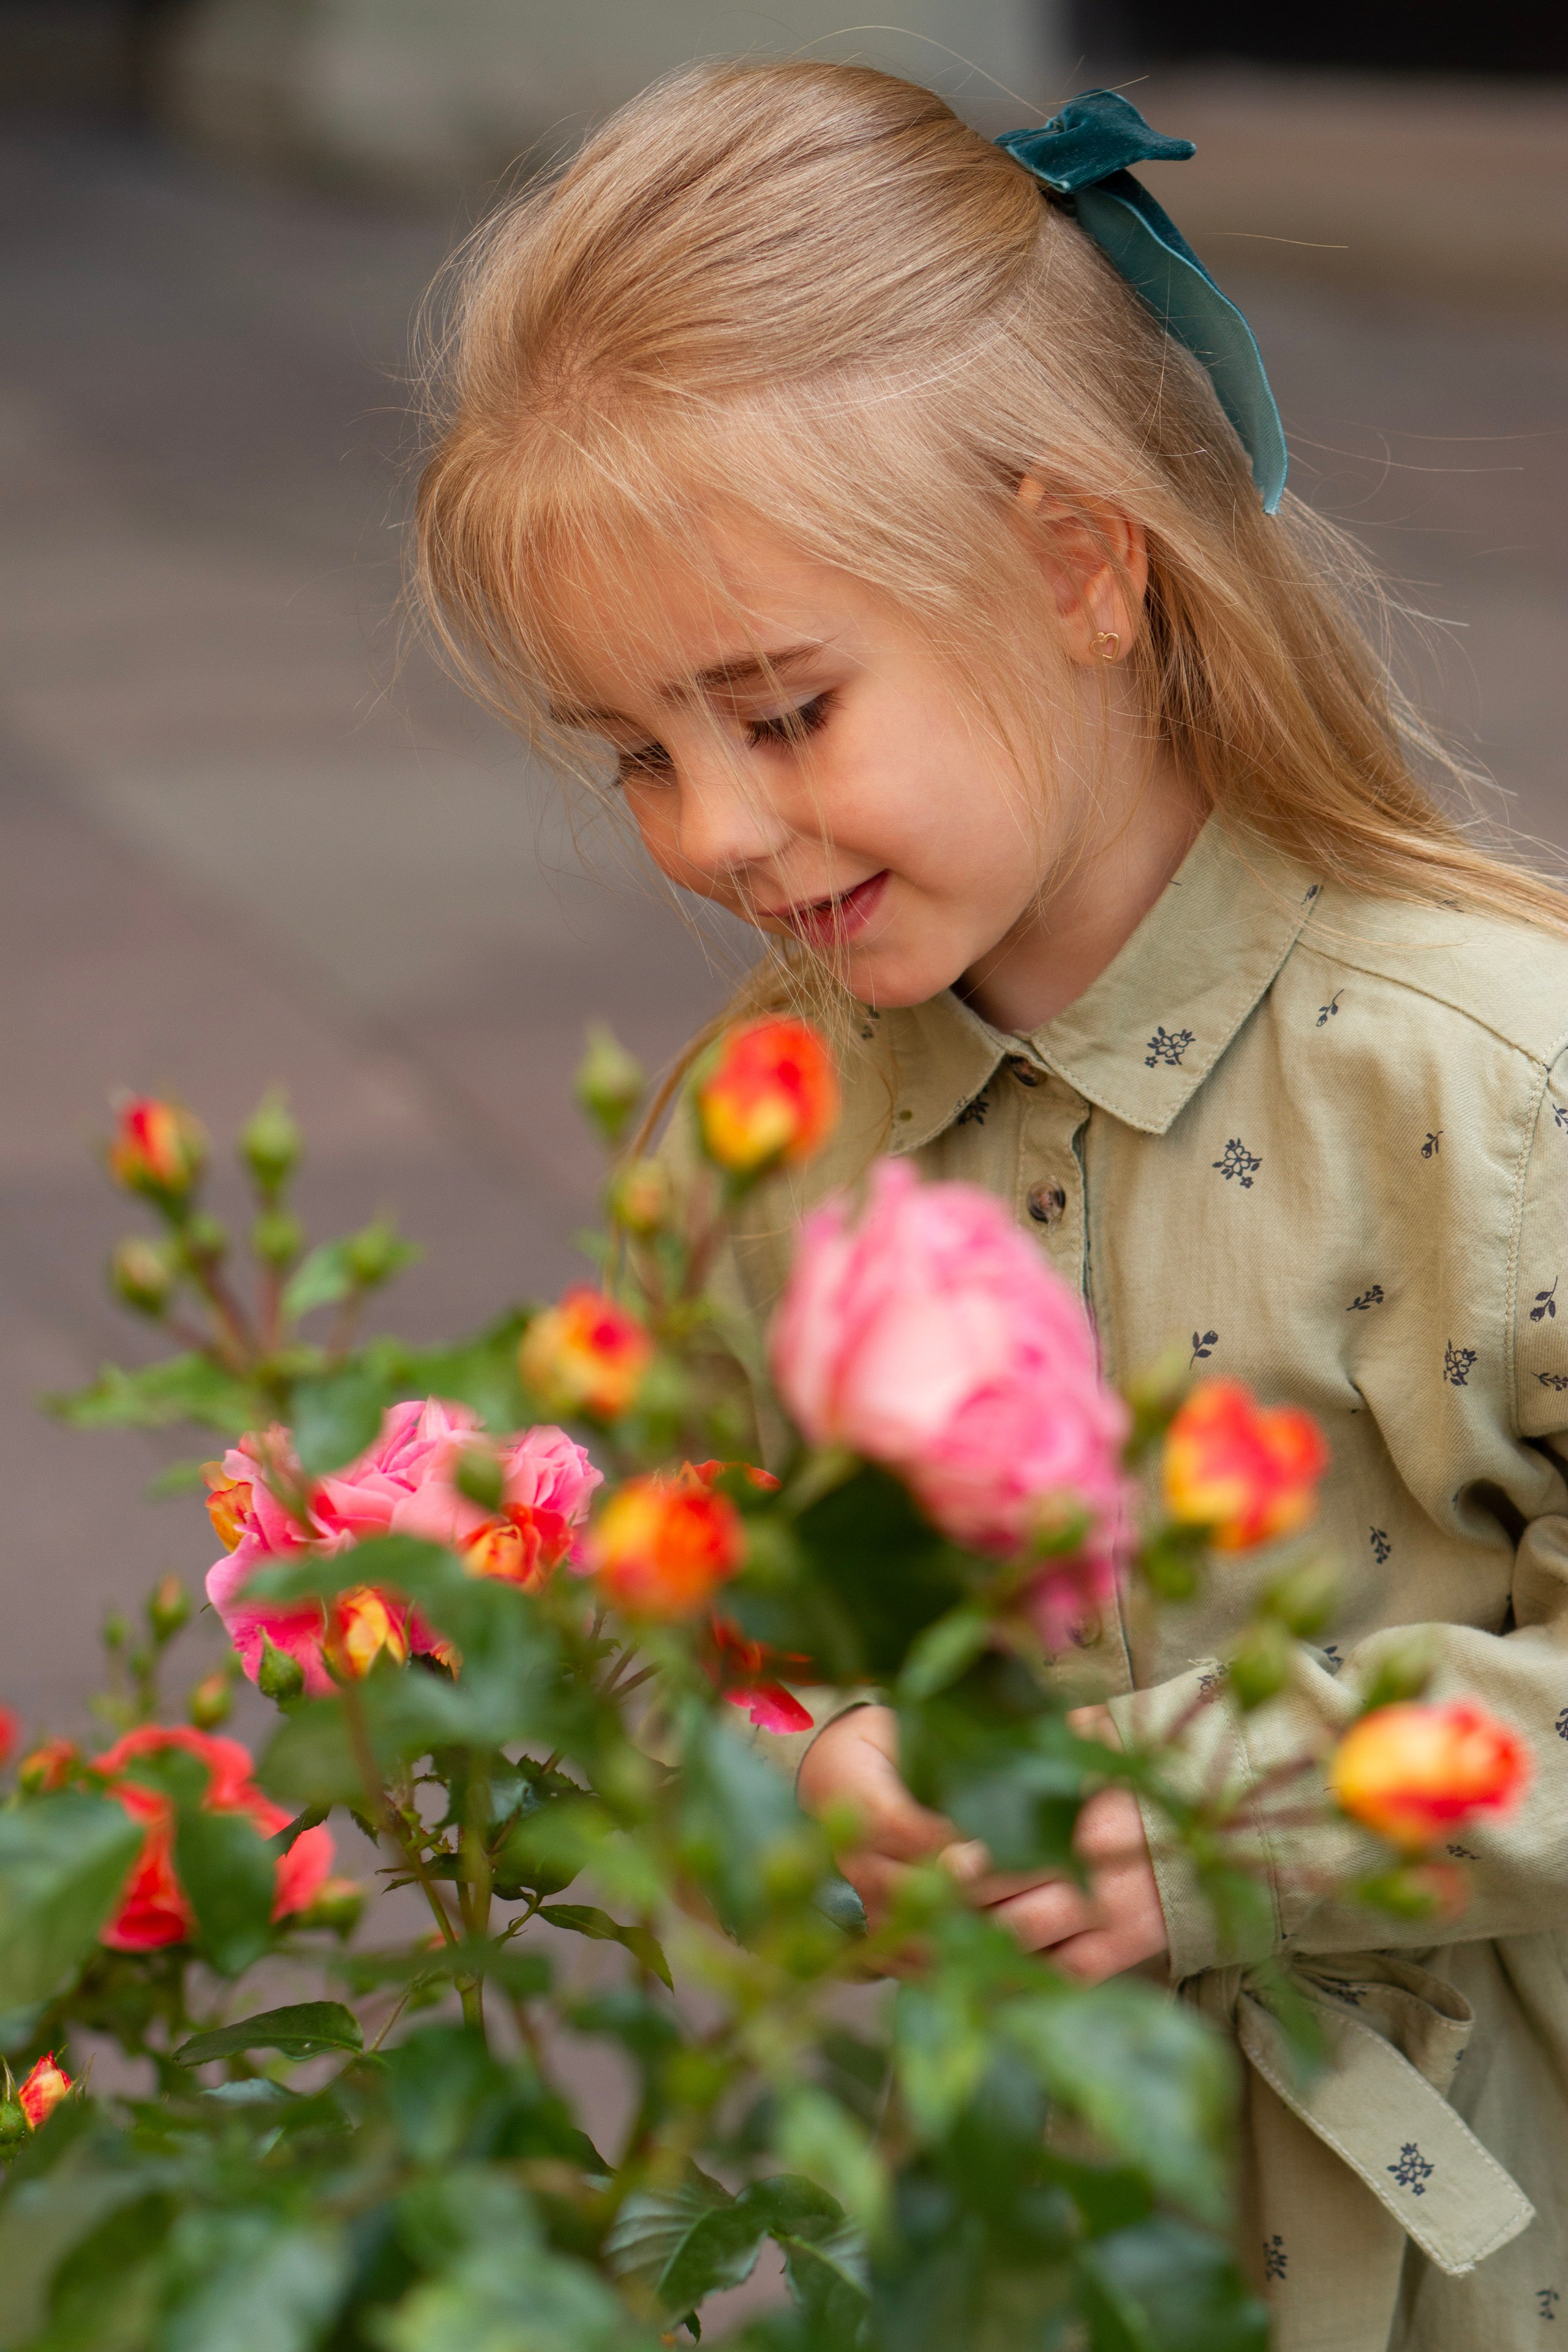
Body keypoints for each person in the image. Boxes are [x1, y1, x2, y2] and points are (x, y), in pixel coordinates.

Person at [413, 59, 1568, 2352]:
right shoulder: (762, 1133)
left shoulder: (1490, 1084)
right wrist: (800, 1758)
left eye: (783, 708)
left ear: (1074, 566)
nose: (717, 830)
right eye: (638, 751)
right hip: (992, 2218)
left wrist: (1232, 1810)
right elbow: (649, 1583)